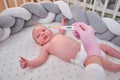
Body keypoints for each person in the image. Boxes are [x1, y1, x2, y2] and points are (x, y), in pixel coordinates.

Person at [19, 19, 120, 75]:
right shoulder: (46, 47)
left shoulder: (57, 35)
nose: (42, 33)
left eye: (43, 30)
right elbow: (40, 59)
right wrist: (29, 63)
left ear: (50, 30)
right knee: (103, 62)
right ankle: (117, 67)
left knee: (104, 46)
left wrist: (63, 23)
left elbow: (62, 29)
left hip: (85, 46)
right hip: (80, 58)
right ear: (39, 43)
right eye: (38, 36)